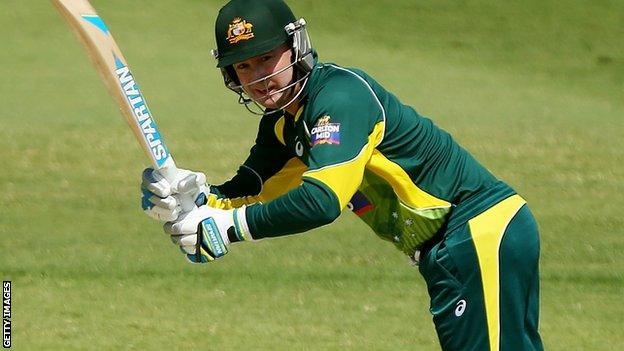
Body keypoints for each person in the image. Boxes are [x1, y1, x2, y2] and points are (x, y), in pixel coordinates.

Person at [140, 0, 544, 349]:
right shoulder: (283, 123)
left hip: (477, 233)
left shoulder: (339, 97)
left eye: (266, 58)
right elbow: (247, 194)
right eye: (243, 66)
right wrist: (189, 197)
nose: (259, 78)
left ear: (296, 46)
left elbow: (321, 202)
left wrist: (227, 229)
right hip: (453, 249)